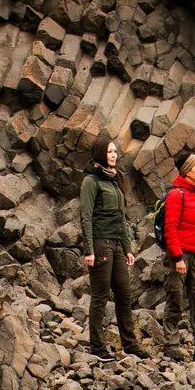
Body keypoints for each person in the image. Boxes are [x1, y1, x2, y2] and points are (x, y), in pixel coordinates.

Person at [78, 137, 138, 359]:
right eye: (110, 151)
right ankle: (98, 347)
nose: (114, 155)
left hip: (117, 245)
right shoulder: (91, 182)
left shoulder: (115, 180)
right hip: (100, 244)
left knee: (124, 293)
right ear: (100, 154)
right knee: (100, 296)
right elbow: (85, 216)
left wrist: (128, 247)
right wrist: (89, 250)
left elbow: (121, 218)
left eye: (115, 152)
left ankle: (130, 345)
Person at [162, 151, 195, 359]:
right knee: (175, 298)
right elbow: (170, 228)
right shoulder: (177, 194)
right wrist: (177, 257)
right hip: (181, 256)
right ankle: (171, 345)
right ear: (187, 171)